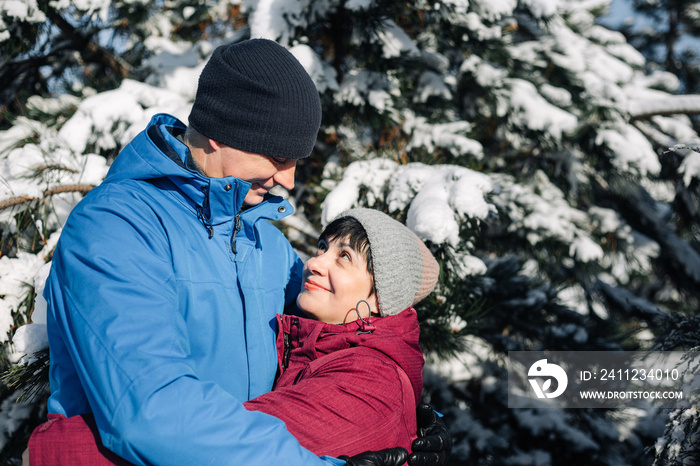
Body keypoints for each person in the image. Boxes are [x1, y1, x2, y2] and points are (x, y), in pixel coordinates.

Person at [28, 38, 450, 465]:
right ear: (221, 131)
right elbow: (153, 415)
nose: (287, 179)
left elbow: (349, 335)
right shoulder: (116, 227)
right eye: (279, 155)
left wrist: (403, 414)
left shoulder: (266, 243)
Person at [27, 208, 446, 464]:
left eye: (345, 257)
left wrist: (54, 452)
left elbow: (222, 449)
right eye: (322, 248)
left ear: (379, 299)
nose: (316, 264)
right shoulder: (320, 348)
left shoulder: (368, 382)